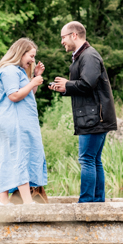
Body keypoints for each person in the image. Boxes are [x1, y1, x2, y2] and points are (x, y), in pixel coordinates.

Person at [47, 22, 117, 203]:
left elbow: (87, 84)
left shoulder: (89, 56)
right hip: (93, 116)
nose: (62, 41)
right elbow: (85, 86)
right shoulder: (82, 56)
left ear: (74, 35)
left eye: (63, 37)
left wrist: (68, 84)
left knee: (87, 159)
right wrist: (64, 88)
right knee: (94, 160)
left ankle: (86, 203)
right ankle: (97, 201)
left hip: (95, 117)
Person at [0, 38, 48, 205]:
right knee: (20, 156)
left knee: (10, 156)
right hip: (14, 121)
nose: (33, 60)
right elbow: (14, 96)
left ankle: (4, 201)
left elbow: (27, 95)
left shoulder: (17, 71)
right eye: (31, 56)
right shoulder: (10, 70)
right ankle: (27, 201)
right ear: (20, 52)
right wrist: (32, 81)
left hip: (16, 120)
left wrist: (35, 78)